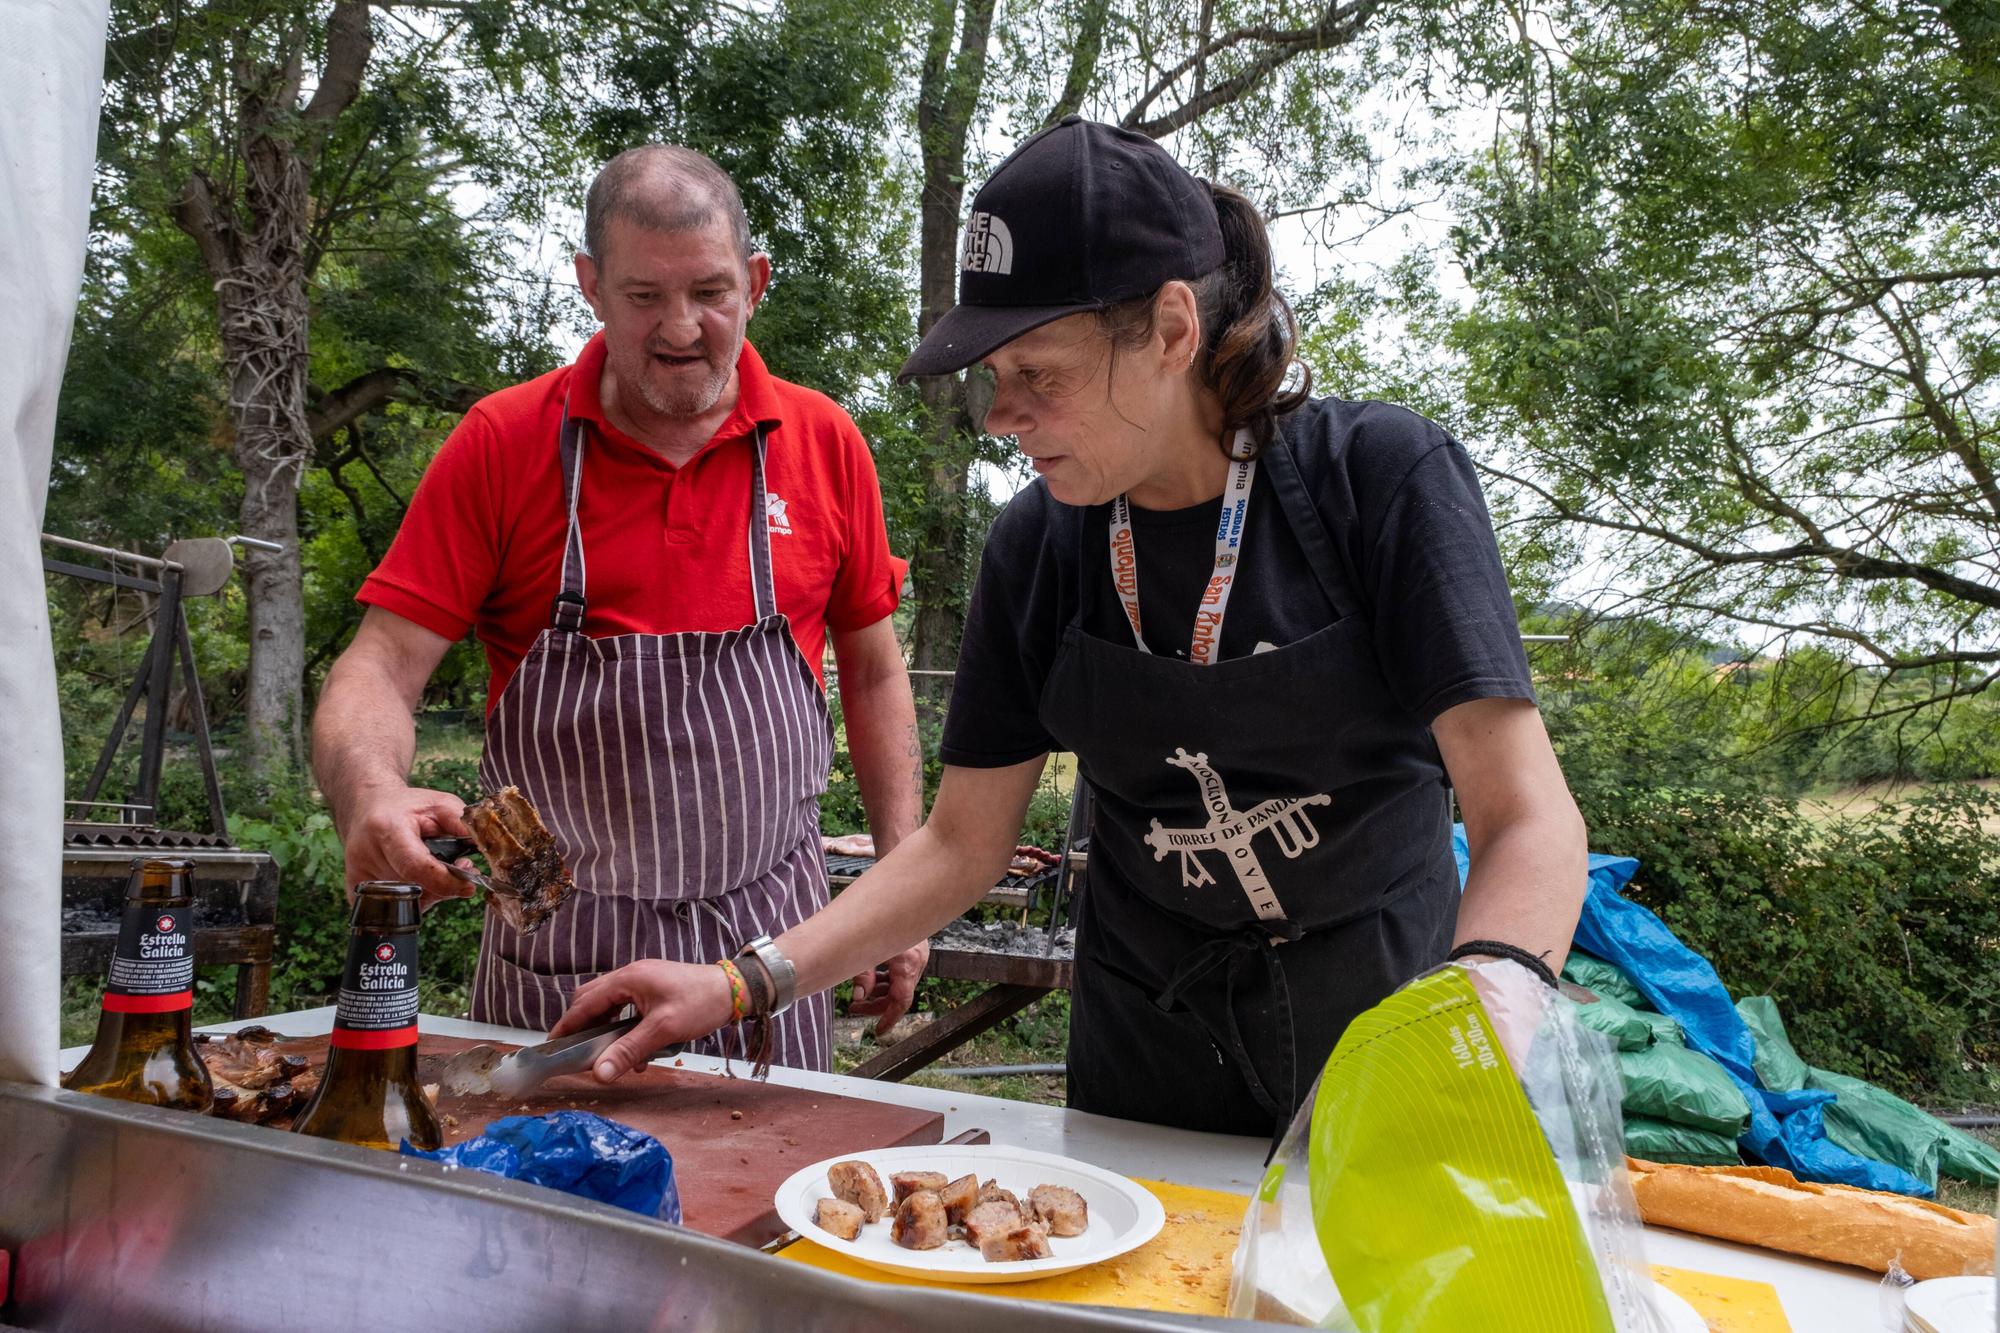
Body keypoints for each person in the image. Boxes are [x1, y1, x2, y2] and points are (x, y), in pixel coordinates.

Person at [550, 119, 1588, 1136]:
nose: (1001, 415)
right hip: (1148, 1040)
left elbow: (1525, 818)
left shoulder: (1381, 480)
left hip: (1388, 1028)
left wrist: (1484, 1015)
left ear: (1172, 329)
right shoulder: (1039, 544)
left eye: (1036, 373)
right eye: (991, 380)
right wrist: (741, 984)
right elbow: (960, 844)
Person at [311, 145, 926, 1072]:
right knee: (537, 1211)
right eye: (645, 297)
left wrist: (899, 886)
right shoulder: (504, 444)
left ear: (755, 282)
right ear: (592, 285)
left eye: (712, 292)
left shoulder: (825, 441)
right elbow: (379, 664)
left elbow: (877, 677)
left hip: (767, 950)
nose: (682, 327)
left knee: (767, 1210)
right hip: (558, 965)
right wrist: (369, 792)